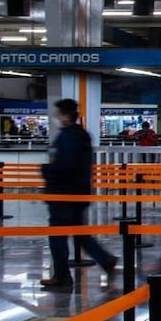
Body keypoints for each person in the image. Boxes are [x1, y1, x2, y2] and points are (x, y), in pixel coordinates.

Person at [40, 99, 118, 291]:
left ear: (66, 115)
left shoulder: (67, 137)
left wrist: (46, 170)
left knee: (58, 235)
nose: (56, 117)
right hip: (79, 192)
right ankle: (105, 260)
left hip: (63, 194)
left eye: (58, 114)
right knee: (80, 232)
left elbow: (65, 165)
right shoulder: (82, 135)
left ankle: (62, 276)